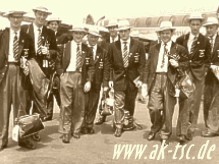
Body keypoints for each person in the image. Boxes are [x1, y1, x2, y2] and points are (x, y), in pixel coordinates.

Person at [146, 21, 189, 145]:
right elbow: (148, 66)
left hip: (171, 79)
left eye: (167, 33)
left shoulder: (179, 48)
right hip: (155, 79)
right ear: (159, 34)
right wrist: (144, 83)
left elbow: (187, 64)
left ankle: (165, 134)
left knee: (168, 109)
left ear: (171, 33)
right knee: (153, 108)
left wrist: (178, 64)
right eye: (163, 33)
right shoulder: (154, 48)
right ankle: (156, 126)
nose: (165, 35)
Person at [0, 10, 36, 150]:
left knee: (21, 106)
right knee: (3, 107)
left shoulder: (27, 37)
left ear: (22, 19)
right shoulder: (2, 35)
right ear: (9, 18)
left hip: (21, 73)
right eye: (13, 17)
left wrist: (28, 65)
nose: (16, 20)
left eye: (19, 17)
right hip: (5, 71)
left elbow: (32, 56)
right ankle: (2, 139)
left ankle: (23, 138)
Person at [176, 13, 211, 141]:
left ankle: (190, 129)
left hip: (198, 75)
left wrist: (204, 71)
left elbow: (208, 59)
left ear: (200, 25)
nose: (195, 27)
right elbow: (176, 56)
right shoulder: (181, 39)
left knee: (195, 103)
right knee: (185, 101)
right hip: (185, 74)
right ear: (189, 24)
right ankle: (181, 131)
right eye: (193, 24)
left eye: (197, 24)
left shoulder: (205, 41)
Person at [108, 19, 146, 137]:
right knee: (118, 103)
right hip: (118, 79)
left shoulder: (138, 45)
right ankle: (118, 126)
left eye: (125, 31)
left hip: (133, 80)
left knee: (130, 102)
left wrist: (141, 79)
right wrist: (110, 79)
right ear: (118, 32)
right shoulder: (113, 46)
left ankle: (128, 122)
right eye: (121, 31)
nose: (123, 34)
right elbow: (109, 64)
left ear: (129, 31)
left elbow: (142, 64)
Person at [56, 24, 94, 143]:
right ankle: (66, 131)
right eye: (76, 33)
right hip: (67, 75)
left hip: (80, 77)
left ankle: (76, 130)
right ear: (72, 34)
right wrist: (61, 74)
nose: (78, 36)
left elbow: (91, 66)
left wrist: (89, 80)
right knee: (66, 105)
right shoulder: (64, 47)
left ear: (83, 35)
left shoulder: (87, 49)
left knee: (79, 105)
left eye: (81, 34)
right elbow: (57, 62)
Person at [22, 6, 58, 122]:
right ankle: (25, 132)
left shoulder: (50, 33)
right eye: (40, 14)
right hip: (26, 71)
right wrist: (23, 61)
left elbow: (56, 52)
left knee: (39, 102)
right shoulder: (25, 29)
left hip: (42, 71)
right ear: (35, 14)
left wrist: (48, 51)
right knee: (26, 101)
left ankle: (35, 131)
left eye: (44, 15)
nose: (42, 17)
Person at [81, 26, 110, 134]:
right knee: (84, 104)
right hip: (84, 82)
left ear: (98, 39)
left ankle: (89, 125)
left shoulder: (103, 51)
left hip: (97, 82)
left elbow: (106, 68)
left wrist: (106, 83)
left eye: (95, 38)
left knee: (93, 104)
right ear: (88, 37)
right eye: (91, 37)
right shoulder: (83, 49)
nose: (93, 39)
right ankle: (82, 124)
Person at [95, 19, 119, 125]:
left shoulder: (121, 41)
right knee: (105, 93)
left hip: (119, 72)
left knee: (119, 95)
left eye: (114, 27)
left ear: (117, 29)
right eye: (110, 28)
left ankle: (118, 118)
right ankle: (102, 114)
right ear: (108, 30)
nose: (112, 30)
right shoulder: (104, 42)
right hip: (107, 71)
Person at [202, 17, 219, 137]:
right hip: (207, 76)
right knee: (207, 101)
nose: (209, 30)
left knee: (216, 102)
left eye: (211, 27)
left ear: (217, 28)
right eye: (207, 27)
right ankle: (210, 127)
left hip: (218, 76)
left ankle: (214, 128)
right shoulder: (202, 41)